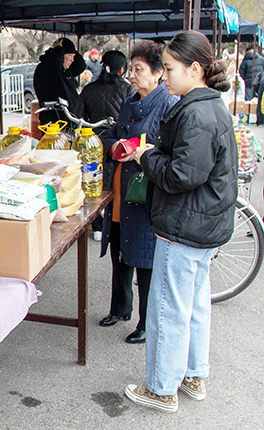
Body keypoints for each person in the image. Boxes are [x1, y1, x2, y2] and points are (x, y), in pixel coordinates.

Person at [123, 31, 237, 412]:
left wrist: (146, 157)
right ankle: (192, 374)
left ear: (195, 68)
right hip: (203, 224)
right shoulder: (209, 105)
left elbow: (180, 176)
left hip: (185, 226)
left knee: (168, 309)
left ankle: (161, 388)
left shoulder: (195, 111)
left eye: (170, 69)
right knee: (193, 304)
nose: (165, 76)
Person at [96, 42, 177, 345]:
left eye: (139, 69)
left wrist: (142, 151)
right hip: (120, 189)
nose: (132, 75)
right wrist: (115, 145)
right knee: (120, 252)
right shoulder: (130, 103)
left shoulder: (167, 105)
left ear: (157, 73)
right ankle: (120, 308)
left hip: (146, 195)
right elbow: (113, 135)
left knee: (145, 262)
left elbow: (168, 151)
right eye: (131, 69)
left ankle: (146, 321)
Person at [75, 50, 134, 137]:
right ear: (122, 70)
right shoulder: (128, 89)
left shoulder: (88, 89)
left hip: (93, 140)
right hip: (119, 141)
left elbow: (78, 118)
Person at [33, 37, 87, 125]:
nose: (72, 60)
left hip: (70, 120)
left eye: (73, 57)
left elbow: (81, 66)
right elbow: (55, 66)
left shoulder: (65, 70)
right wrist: (58, 49)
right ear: (61, 55)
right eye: (69, 56)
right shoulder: (46, 68)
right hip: (54, 121)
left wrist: (73, 51)